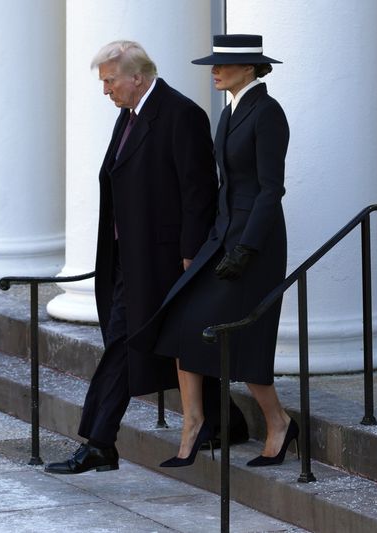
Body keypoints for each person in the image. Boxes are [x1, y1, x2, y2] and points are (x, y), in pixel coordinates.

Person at [46, 40, 246, 475]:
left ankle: (99, 443)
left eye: (110, 81)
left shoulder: (181, 114)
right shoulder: (130, 114)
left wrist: (190, 256)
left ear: (137, 77)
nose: (106, 90)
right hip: (126, 256)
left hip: (163, 260)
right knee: (163, 340)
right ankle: (226, 421)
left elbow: (198, 191)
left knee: (126, 343)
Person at [130, 34, 295, 468]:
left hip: (254, 245)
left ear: (250, 67)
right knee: (183, 322)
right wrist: (209, 238)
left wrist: (246, 247)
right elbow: (225, 185)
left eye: (222, 65)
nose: (214, 71)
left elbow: (270, 190)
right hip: (221, 238)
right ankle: (195, 422)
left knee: (245, 336)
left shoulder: (268, 112)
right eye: (214, 64)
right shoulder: (229, 111)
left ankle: (278, 422)